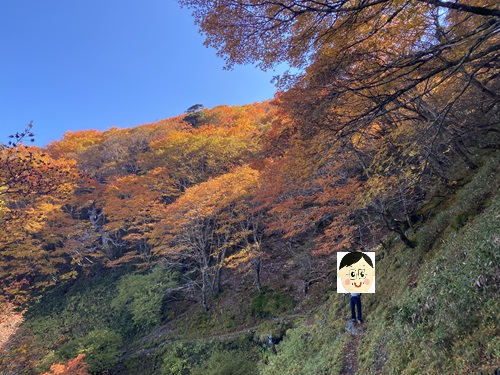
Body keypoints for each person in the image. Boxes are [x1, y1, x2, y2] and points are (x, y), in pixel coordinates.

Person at [339, 252, 374, 323]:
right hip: (352, 296)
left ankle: (359, 318)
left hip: (357, 296)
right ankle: (354, 318)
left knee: (358, 308)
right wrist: (345, 293)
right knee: (352, 308)